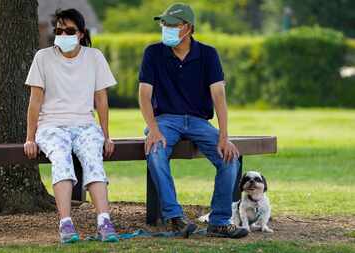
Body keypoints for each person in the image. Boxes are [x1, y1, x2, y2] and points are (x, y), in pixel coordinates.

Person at [138, 3, 248, 239]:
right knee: (155, 149)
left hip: (199, 121)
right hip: (165, 120)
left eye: (171, 24)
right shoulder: (153, 53)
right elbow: (144, 96)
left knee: (230, 159)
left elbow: (219, 96)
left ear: (187, 28)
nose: (164, 28)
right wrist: (154, 130)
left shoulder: (208, 54)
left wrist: (224, 136)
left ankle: (219, 222)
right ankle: (175, 218)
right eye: (163, 23)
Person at [23, 9, 118, 243]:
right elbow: (35, 101)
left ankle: (104, 221)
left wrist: (106, 136)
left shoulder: (94, 57)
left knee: (93, 161)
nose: (63, 34)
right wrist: (30, 138)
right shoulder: (42, 57)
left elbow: (101, 100)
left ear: (81, 33)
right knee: (61, 160)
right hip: (51, 126)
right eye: (59, 30)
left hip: (85, 124)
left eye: (69, 30)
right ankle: (66, 225)